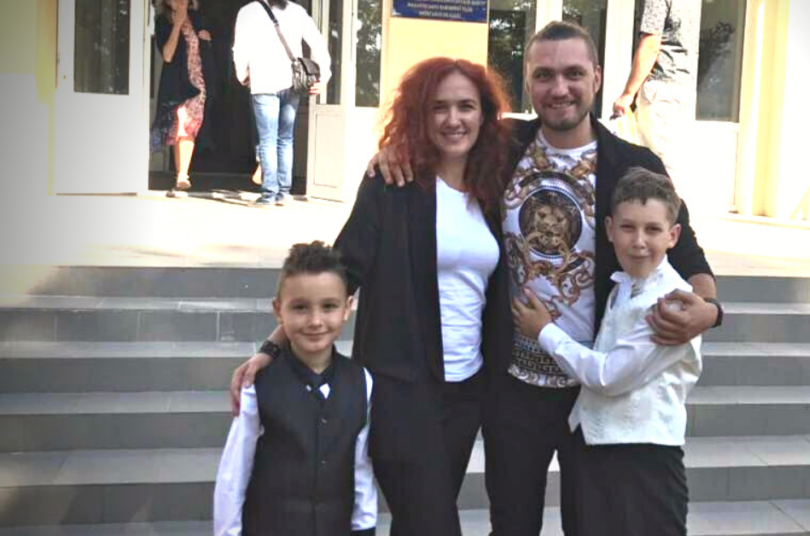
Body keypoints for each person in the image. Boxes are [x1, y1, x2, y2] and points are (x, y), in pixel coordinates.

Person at [372, 21, 723, 536]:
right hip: (512, 385)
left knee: (592, 524)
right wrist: (392, 151)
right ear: (529, 82)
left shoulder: (633, 162)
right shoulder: (500, 145)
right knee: (512, 524)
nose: (560, 88)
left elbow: (688, 252)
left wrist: (709, 310)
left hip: (596, 387)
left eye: (574, 74)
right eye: (545, 75)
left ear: (598, 78)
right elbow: (437, 142)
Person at [232, 57, 514, 536]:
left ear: (484, 115)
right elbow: (340, 271)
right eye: (438, 107)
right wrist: (273, 347)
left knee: (420, 517)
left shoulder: (492, 189)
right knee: (434, 525)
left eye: (466, 106)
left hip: (467, 391)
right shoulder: (394, 182)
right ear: (419, 117)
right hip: (401, 390)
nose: (453, 119)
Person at [512, 168, 701, 536]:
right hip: (598, 451)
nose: (639, 241)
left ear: (673, 235)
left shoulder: (672, 303)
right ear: (610, 229)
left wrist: (544, 332)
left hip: (644, 461)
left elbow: (608, 376)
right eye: (628, 228)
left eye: (653, 230)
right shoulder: (624, 285)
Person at [213, 241, 376, 536]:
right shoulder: (258, 385)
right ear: (278, 310)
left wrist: (364, 525)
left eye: (328, 306)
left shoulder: (361, 381)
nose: (315, 321)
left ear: (347, 308)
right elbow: (233, 473)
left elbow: (361, 466)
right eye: (300, 308)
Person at [233, 0, 331, 207]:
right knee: (285, 139)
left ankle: (269, 194)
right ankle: (284, 193)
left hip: (264, 81)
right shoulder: (297, 11)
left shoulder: (248, 11)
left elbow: (240, 48)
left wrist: (242, 75)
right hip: (292, 83)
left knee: (268, 139)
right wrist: (324, 76)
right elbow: (318, 42)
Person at [612, 0, 702, 192]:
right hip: (683, 87)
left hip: (660, 90)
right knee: (673, 166)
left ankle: (669, 219)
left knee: (657, 169)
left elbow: (651, 45)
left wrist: (628, 93)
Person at [150, 0, 216, 191]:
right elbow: (168, 55)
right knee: (178, 126)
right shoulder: (163, 21)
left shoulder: (198, 19)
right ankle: (181, 174)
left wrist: (208, 40)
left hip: (198, 82)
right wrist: (177, 25)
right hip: (176, 84)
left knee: (188, 125)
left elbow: (208, 49)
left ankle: (182, 175)